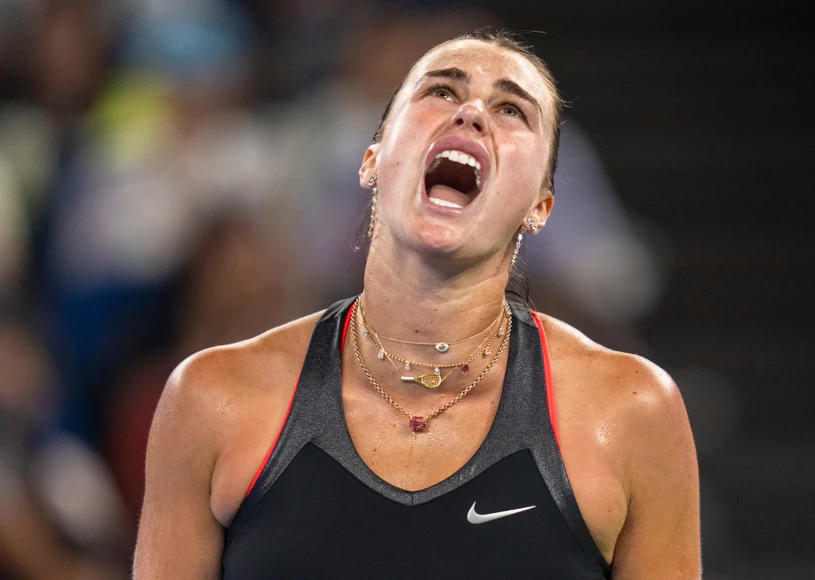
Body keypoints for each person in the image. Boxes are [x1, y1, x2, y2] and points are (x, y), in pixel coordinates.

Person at [134, 30, 700, 579]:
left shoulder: (629, 412)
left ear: (540, 206)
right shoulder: (214, 399)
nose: (471, 113)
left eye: (511, 110)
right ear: (371, 161)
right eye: (442, 91)